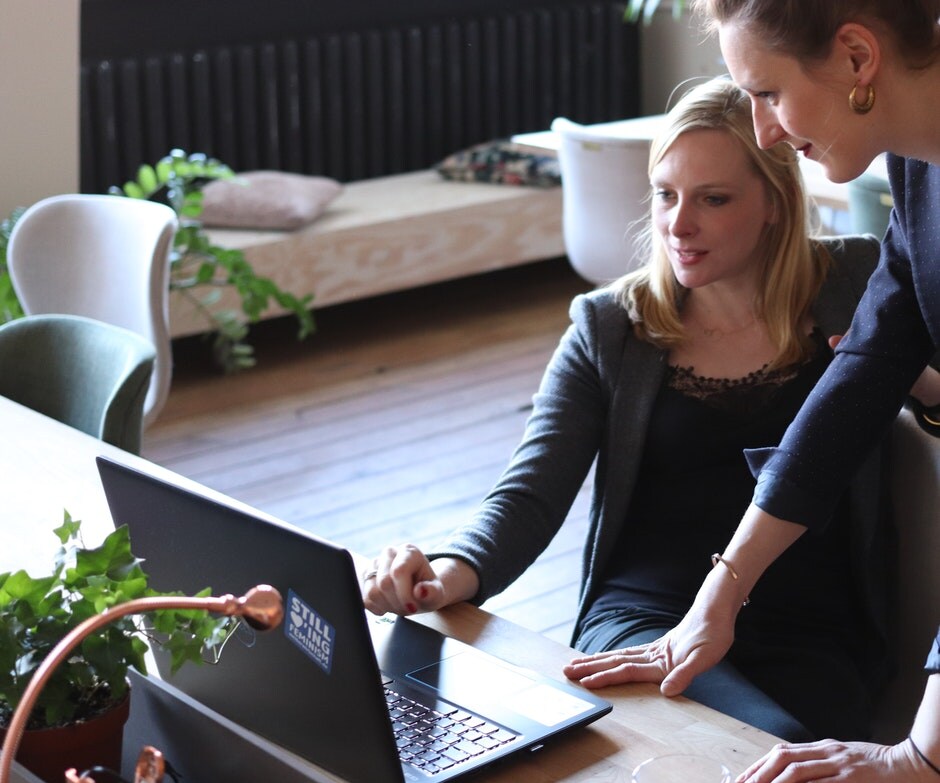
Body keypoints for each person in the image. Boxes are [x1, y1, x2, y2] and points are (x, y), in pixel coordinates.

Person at [361, 76, 896, 743]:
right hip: (646, 617)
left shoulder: (858, 283)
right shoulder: (611, 326)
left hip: (811, 629)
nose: (679, 224)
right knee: (756, 743)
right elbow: (530, 492)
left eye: (714, 199)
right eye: (666, 195)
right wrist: (444, 576)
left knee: (778, 746)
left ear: (775, 204)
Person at [576, 2, 940, 782]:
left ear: (855, 56)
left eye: (768, 93)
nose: (765, 130)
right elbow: (863, 371)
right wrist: (721, 592)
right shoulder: (919, 168)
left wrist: (923, 752)